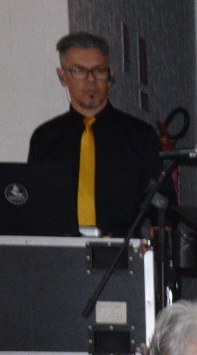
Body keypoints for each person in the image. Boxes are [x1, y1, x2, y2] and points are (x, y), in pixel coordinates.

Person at [27, 32, 162, 236]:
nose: (90, 81)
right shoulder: (46, 138)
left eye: (99, 71)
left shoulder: (140, 137)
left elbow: (161, 205)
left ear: (110, 76)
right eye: (79, 70)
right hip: (61, 254)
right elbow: (34, 203)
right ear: (62, 76)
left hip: (122, 256)